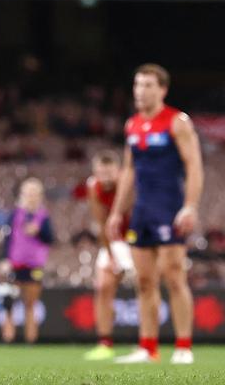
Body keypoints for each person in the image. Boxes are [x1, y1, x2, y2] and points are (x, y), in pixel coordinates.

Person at [108, 64, 202, 365]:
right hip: (142, 212)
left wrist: (190, 205)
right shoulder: (132, 125)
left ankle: (183, 346)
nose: (141, 91)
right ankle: (147, 348)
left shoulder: (177, 122)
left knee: (174, 276)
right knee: (144, 281)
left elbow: (194, 166)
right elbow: (128, 172)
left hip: (169, 208)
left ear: (162, 90)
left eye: (148, 85)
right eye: (137, 85)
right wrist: (116, 212)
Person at [83, 149, 133, 361]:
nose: (104, 176)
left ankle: (148, 343)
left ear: (118, 170)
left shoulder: (128, 182)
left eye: (108, 171)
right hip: (114, 241)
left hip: (136, 239)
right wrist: (112, 254)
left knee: (146, 287)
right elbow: (101, 222)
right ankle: (105, 342)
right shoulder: (93, 186)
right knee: (103, 287)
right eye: (100, 172)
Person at [0, 178, 53, 344]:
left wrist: (38, 231)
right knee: (8, 301)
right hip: (14, 263)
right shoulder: (14, 214)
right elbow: (7, 238)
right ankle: (8, 337)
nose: (31, 196)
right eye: (28, 192)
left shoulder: (43, 217)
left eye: (34, 193)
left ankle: (31, 338)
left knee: (31, 303)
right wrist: (4, 259)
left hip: (34, 264)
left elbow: (50, 238)